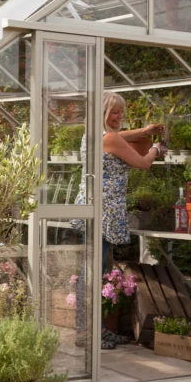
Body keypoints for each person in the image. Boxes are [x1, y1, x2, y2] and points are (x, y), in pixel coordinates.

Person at [73, 91, 166, 346]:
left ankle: (94, 329)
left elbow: (121, 137)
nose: (119, 116)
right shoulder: (109, 139)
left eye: (121, 111)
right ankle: (86, 333)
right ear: (103, 111)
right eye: (114, 111)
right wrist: (156, 149)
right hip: (104, 211)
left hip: (93, 208)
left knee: (96, 271)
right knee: (92, 272)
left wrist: (143, 130)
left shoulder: (92, 135)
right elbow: (142, 163)